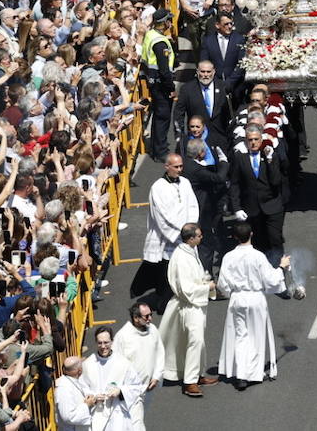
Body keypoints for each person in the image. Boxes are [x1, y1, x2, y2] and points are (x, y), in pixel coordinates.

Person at [217, 222, 290, 390]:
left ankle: (241, 374)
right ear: (251, 234)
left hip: (237, 298)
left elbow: (223, 284)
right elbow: (271, 280)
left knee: (241, 336)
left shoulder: (228, 257)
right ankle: (253, 373)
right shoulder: (257, 256)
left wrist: (231, 293)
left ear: (234, 237)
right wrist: (281, 267)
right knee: (256, 337)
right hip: (255, 298)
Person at [160, 223, 219, 397]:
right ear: (191, 238)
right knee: (196, 341)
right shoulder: (181, 257)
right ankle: (190, 382)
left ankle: (198, 374)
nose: (202, 238)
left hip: (196, 304)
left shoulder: (190, 251)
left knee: (197, 340)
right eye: (199, 236)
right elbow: (186, 289)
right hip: (189, 305)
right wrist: (207, 287)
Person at [132, 154, 198, 307]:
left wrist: (191, 227)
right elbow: (161, 215)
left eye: (181, 166)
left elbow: (193, 206)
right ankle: (165, 303)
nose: (180, 170)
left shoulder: (185, 182)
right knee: (167, 273)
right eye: (176, 167)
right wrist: (181, 232)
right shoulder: (158, 187)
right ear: (166, 167)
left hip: (186, 234)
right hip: (169, 237)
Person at [227, 125, 287, 265]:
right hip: (252, 208)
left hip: (272, 206)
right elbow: (235, 184)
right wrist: (237, 208)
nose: (253, 142)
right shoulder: (240, 158)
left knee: (274, 239)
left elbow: (276, 180)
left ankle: (279, 271)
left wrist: (270, 159)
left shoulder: (270, 156)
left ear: (261, 139)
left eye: (256, 139)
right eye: (250, 139)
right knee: (258, 243)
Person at [112, 303, 164, 430]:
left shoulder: (153, 330)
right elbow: (114, 363)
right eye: (146, 316)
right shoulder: (123, 336)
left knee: (138, 419)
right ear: (136, 318)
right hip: (129, 391)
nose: (150, 319)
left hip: (148, 387)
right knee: (135, 423)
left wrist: (157, 376)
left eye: (151, 315)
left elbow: (160, 353)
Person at [79, 328, 138, 431]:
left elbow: (135, 386)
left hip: (118, 412)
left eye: (106, 342)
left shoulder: (123, 363)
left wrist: (120, 391)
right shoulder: (88, 364)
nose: (103, 346)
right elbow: (82, 386)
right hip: (96, 413)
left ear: (112, 341)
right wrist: (93, 396)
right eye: (99, 343)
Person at [140, 8, 177, 161]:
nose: (170, 23)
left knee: (157, 117)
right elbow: (164, 70)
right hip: (161, 85)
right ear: (164, 23)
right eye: (169, 20)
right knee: (163, 117)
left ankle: (156, 148)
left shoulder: (151, 34)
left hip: (153, 83)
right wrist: (172, 88)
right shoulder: (160, 43)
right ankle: (161, 152)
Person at [54, 356, 92, 431]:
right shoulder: (64, 388)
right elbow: (68, 417)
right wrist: (86, 405)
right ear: (80, 371)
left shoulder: (73, 379)